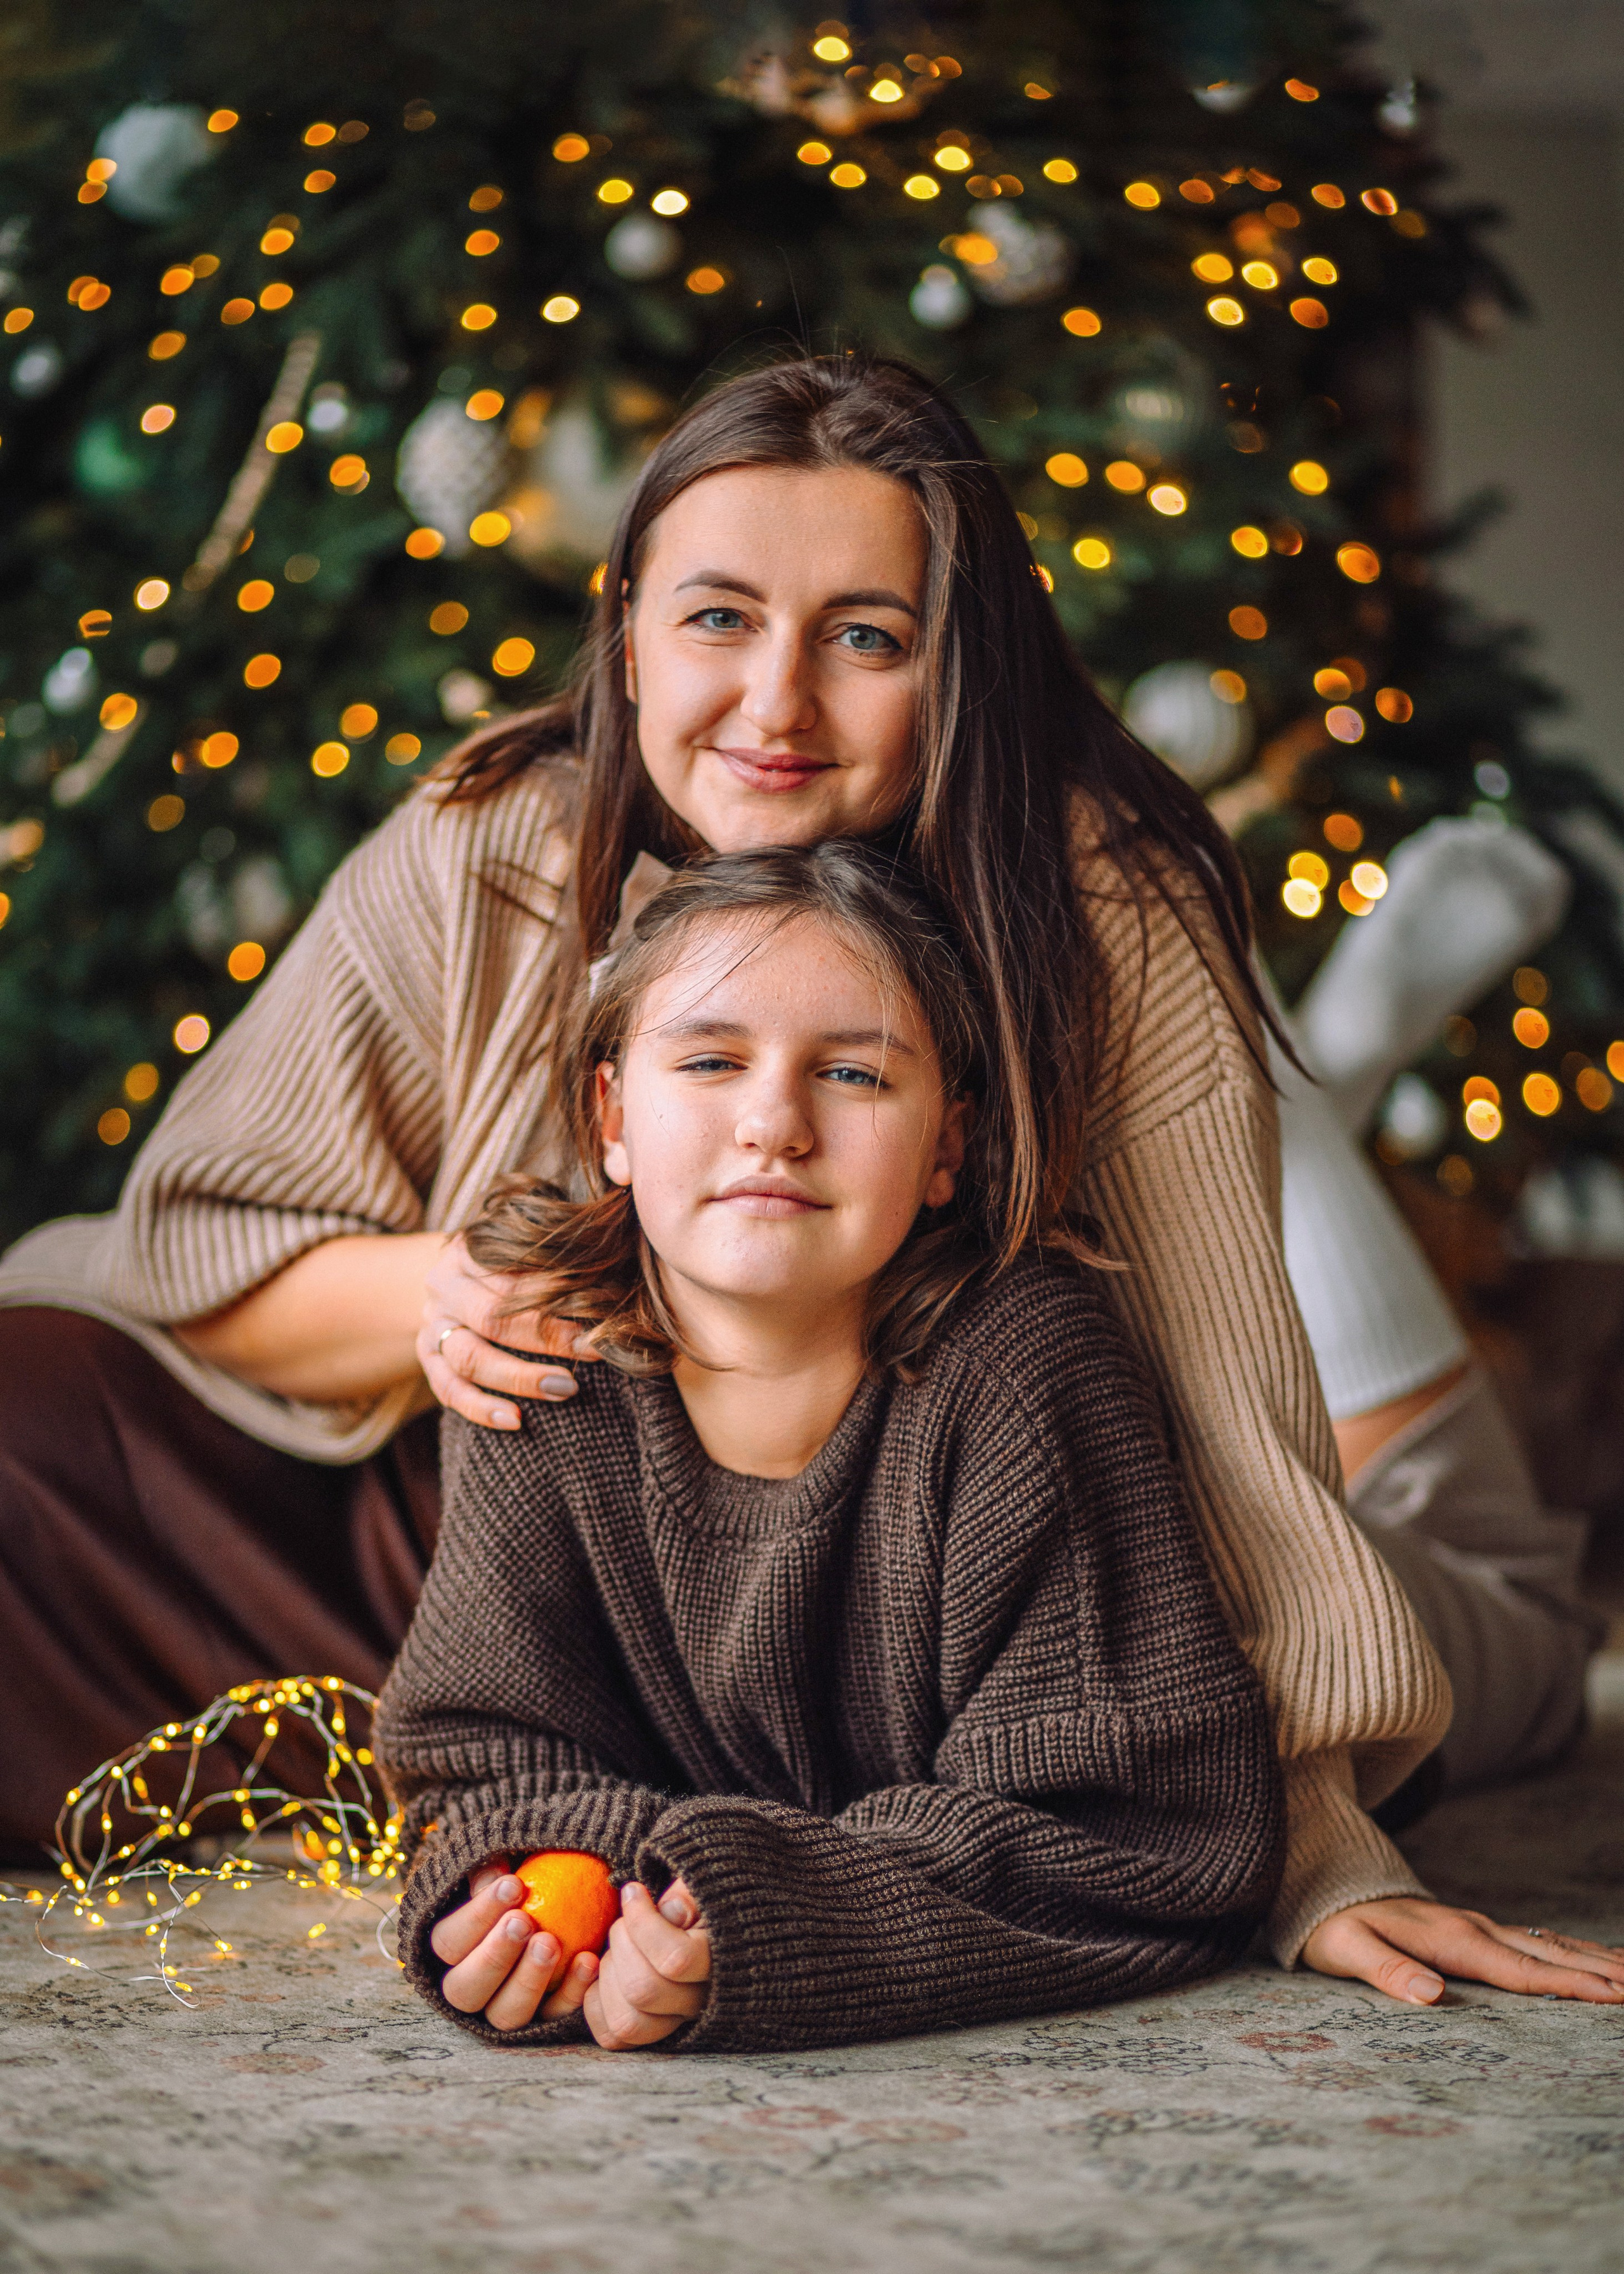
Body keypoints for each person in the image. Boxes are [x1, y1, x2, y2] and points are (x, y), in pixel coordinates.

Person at [3, 354, 1620, 2009]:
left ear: (956, 671)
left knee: (1443, 1629)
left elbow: (1223, 1422)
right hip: (572, 1551)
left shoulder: (1105, 906)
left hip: (1017, 1546)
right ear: (628, 630)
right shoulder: (482, 846)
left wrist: (1310, 1844)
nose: (774, 705)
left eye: (866, 636)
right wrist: (453, 1294)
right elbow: (198, 1241)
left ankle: (1397, 1259)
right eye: (716, 619)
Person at [377, 844, 1285, 2051]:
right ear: (611, 1119)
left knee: (1503, 1637)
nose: (774, 1126)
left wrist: (775, 1925)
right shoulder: (539, 1365)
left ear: (948, 1147)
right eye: (709, 1061)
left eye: (854, 1075)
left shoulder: (1023, 1368)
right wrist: (527, 1891)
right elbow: (486, 1755)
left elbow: (1137, 1834)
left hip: (1418, 1604)